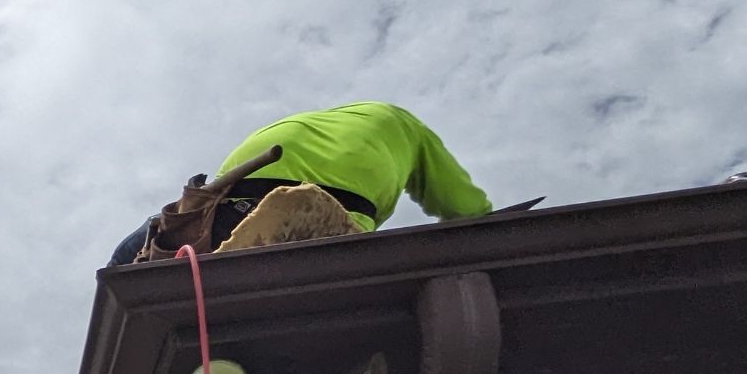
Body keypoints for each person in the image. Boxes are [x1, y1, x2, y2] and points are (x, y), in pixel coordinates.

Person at [112, 102, 494, 263]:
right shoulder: (402, 125)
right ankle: (314, 222)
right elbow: (466, 209)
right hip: (326, 217)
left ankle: (155, 254)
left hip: (213, 216)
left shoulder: (299, 124)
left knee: (133, 254)